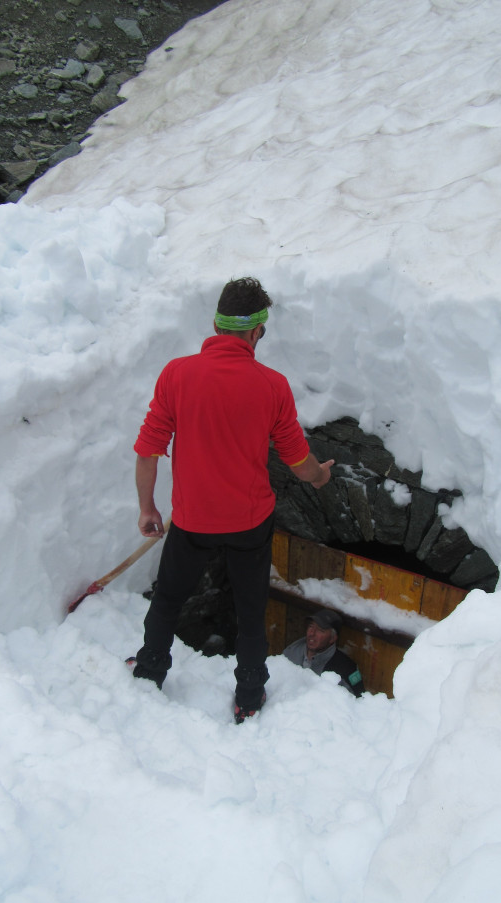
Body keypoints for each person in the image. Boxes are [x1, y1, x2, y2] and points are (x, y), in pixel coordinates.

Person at [129, 277, 334, 723]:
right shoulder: (272, 385)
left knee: (167, 600)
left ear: (216, 325)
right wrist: (319, 477)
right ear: (257, 330)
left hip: (192, 521)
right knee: (250, 610)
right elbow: (299, 462)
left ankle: (149, 672)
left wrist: (148, 508)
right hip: (248, 522)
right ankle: (249, 695)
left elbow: (148, 450)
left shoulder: (177, 374)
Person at [283, 609, 364, 697]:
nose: (312, 633)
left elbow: (357, 703)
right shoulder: (291, 652)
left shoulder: (346, 668)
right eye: (311, 626)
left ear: (332, 638)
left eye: (320, 630)